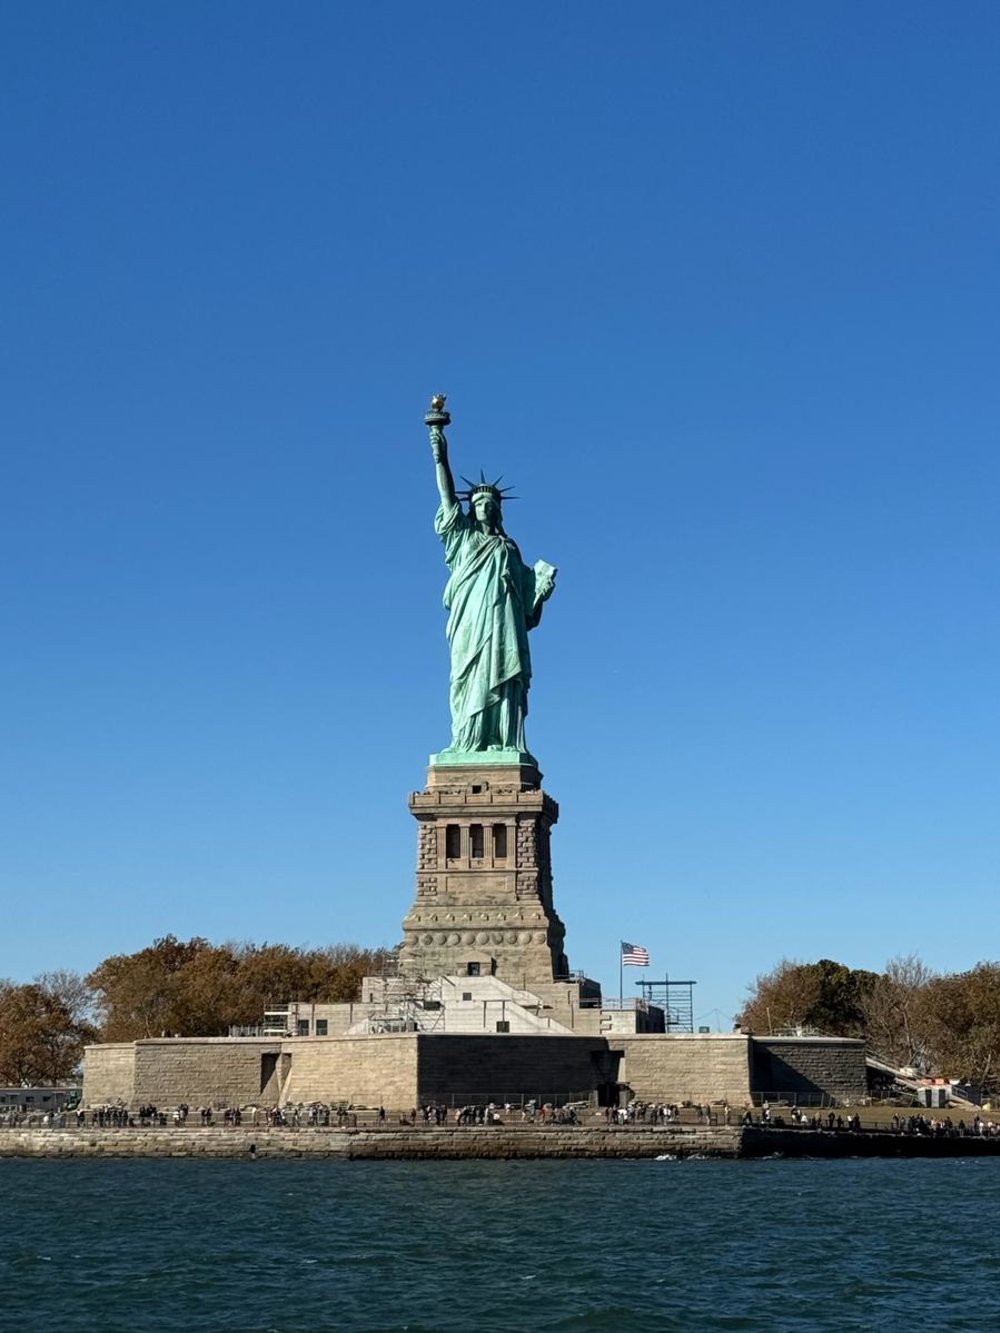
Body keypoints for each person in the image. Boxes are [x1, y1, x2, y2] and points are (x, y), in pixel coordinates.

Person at [429, 416, 556, 755]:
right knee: (467, 677)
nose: (483, 507)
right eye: (478, 503)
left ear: (498, 511)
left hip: (503, 625)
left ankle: (503, 740)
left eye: (489, 504)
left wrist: (541, 592)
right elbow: (446, 495)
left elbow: (528, 608)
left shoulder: (508, 548)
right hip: (470, 622)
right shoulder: (462, 538)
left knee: (503, 674)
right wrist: (440, 454)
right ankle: (467, 741)